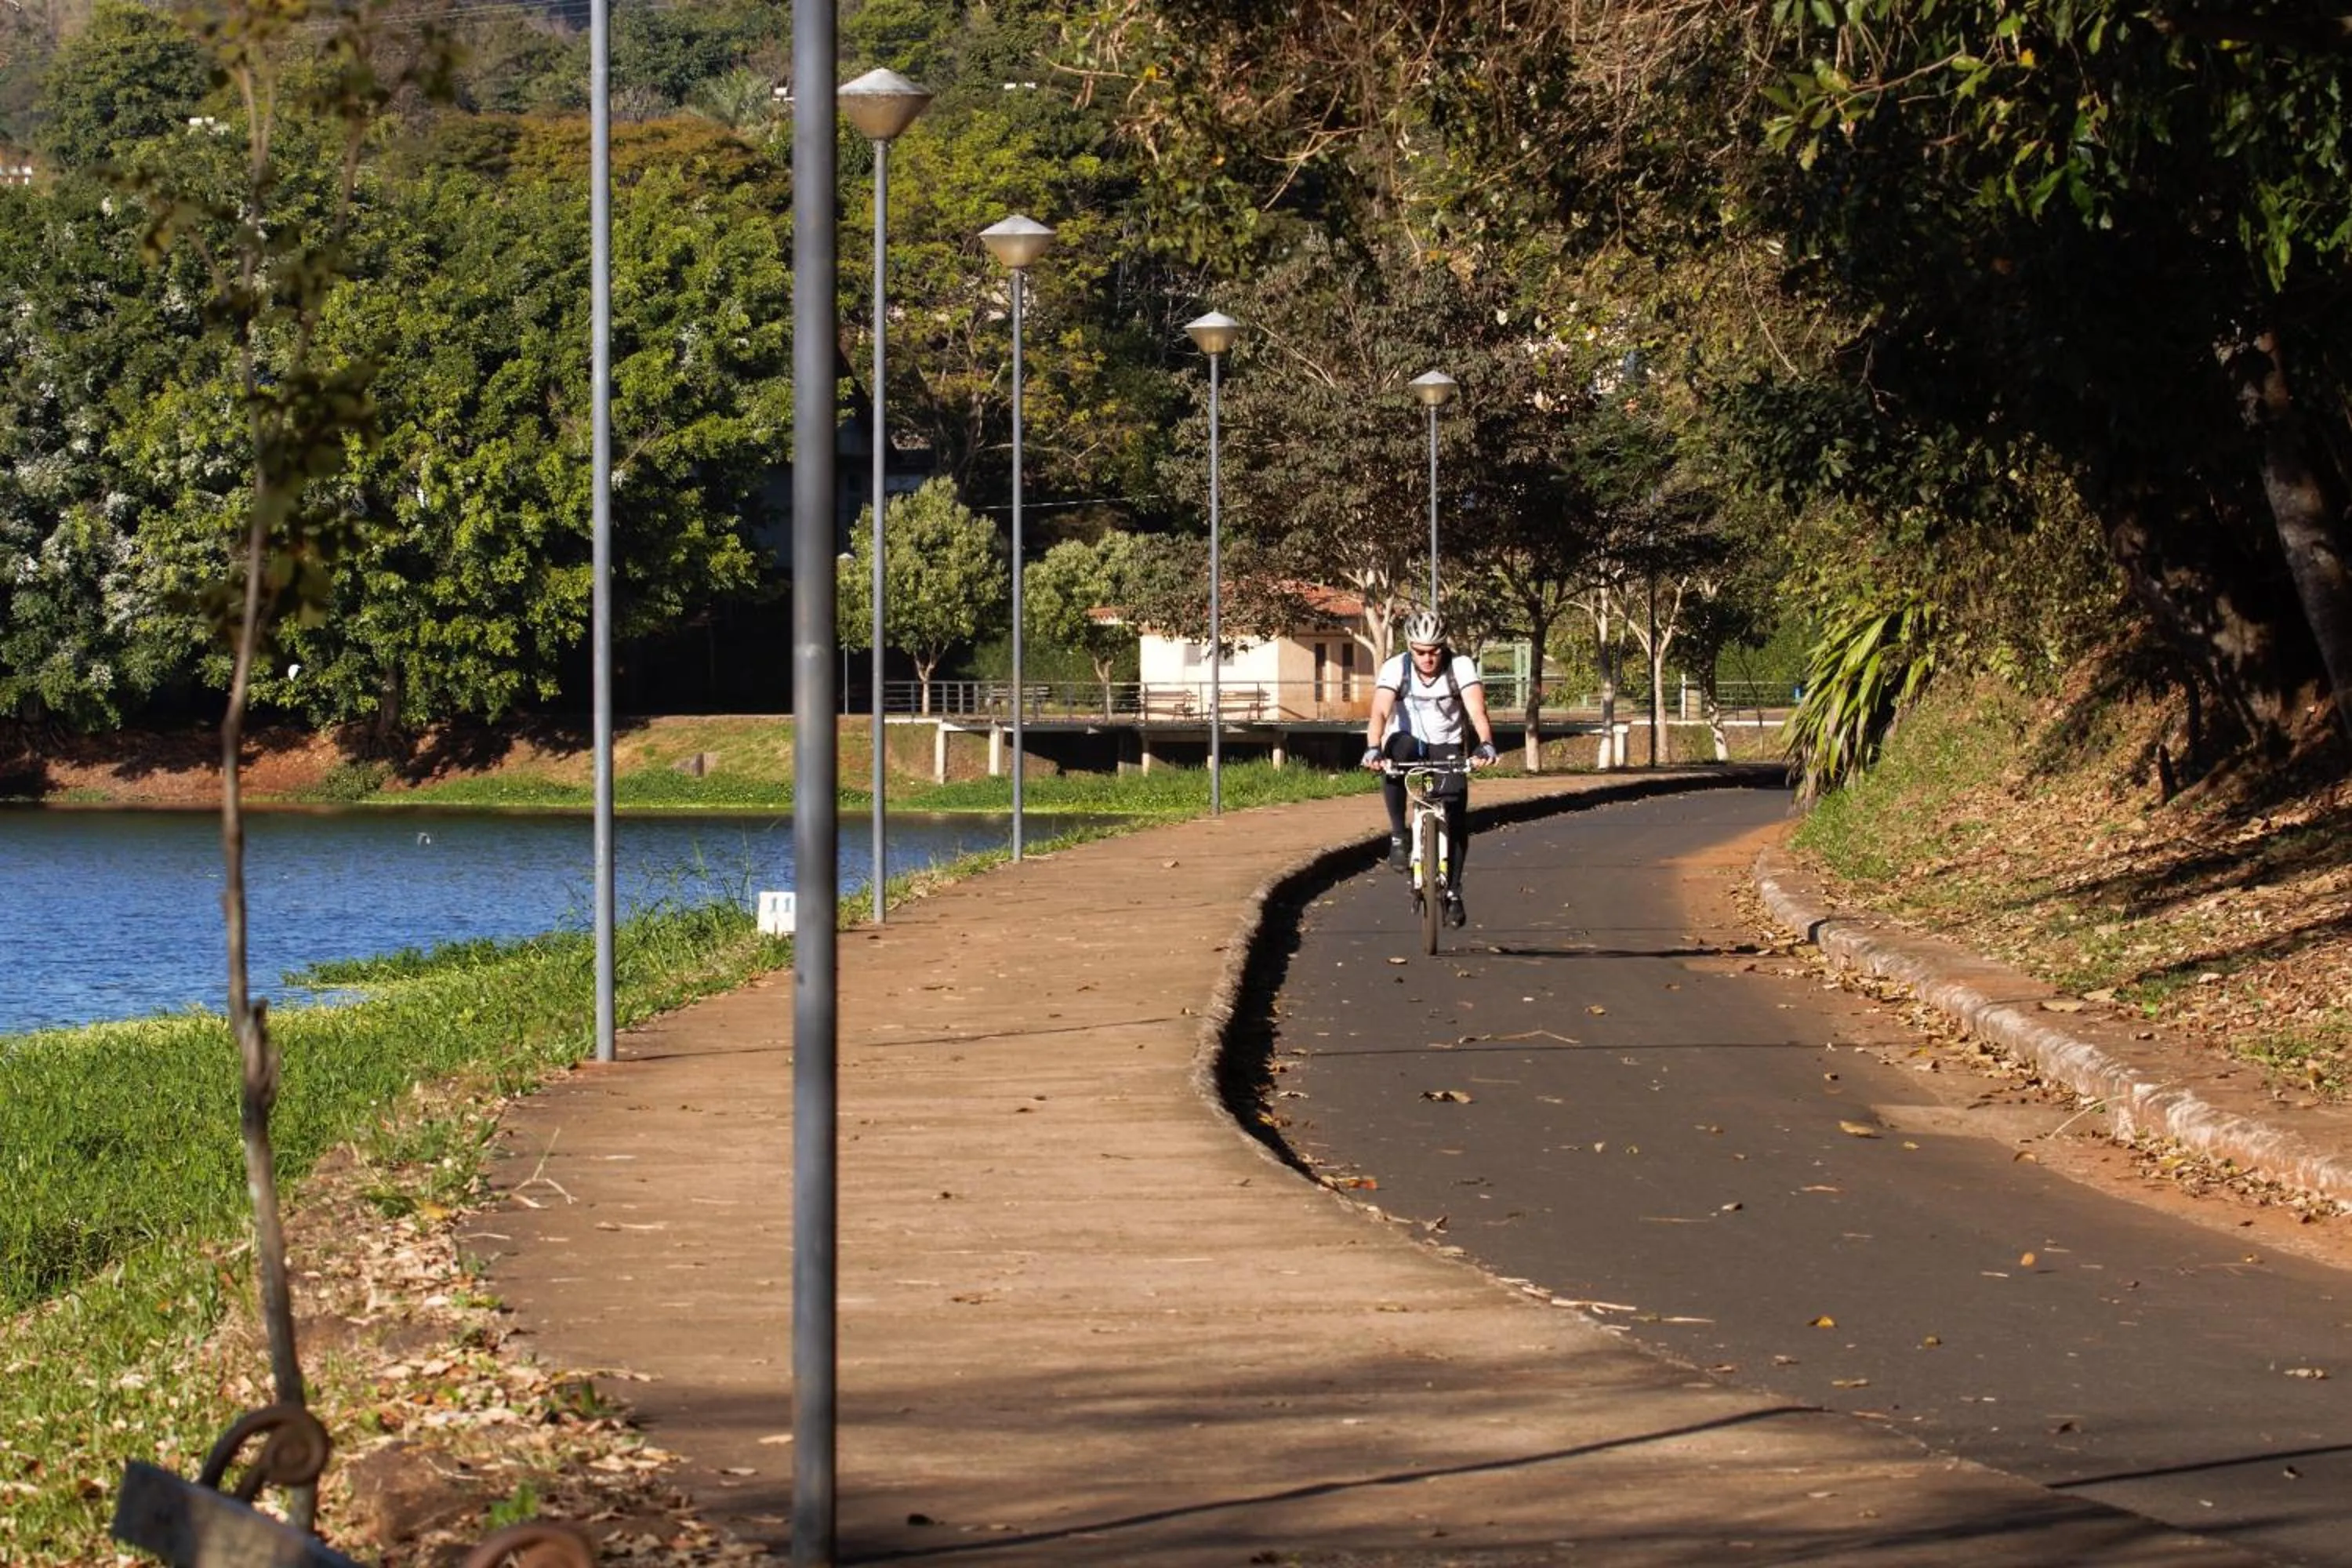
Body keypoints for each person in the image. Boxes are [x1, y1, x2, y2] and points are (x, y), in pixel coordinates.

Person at [1360, 610, 1497, 927]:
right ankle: (1399, 835)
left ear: (1443, 647)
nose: (1427, 658)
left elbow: (1477, 710)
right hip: (1408, 743)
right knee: (1395, 757)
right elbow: (1379, 711)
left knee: (1457, 812)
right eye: (1420, 651)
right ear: (1410, 647)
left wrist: (1486, 743)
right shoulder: (1396, 667)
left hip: (1446, 745)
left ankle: (1453, 892)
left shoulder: (1460, 667)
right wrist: (1373, 747)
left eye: (1434, 651)